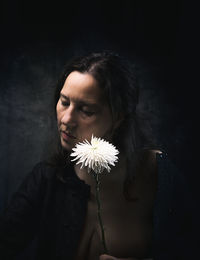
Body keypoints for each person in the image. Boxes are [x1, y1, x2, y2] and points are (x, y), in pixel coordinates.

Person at [0, 51, 196, 260]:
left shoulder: (158, 173)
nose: (66, 119)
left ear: (119, 117)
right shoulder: (47, 177)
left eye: (86, 110)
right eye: (64, 102)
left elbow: (190, 247)